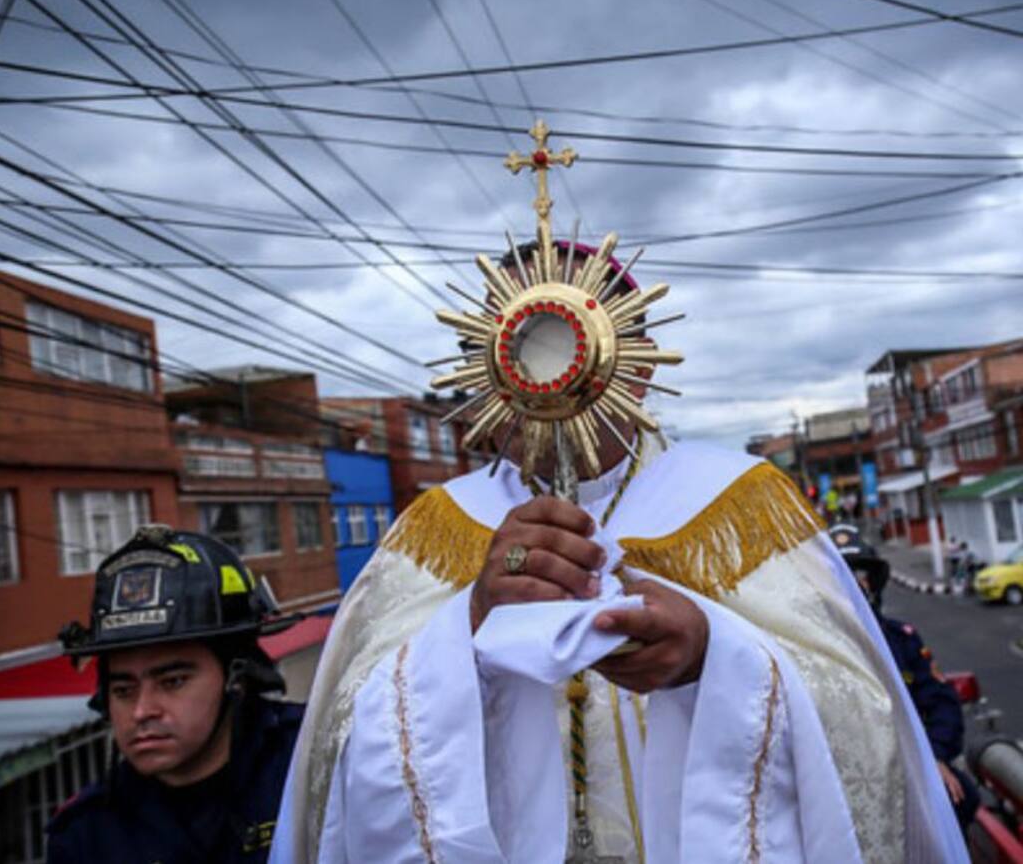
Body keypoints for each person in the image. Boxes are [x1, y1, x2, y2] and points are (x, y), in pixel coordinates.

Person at [271, 242, 967, 864]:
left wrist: (709, 658)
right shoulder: (431, 529)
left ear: (634, 362)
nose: (539, 378)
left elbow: (865, 719)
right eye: (505, 345)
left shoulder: (738, 502)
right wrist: (469, 626)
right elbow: (334, 750)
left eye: (572, 334)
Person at [47, 524, 302, 864]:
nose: (141, 711)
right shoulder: (86, 836)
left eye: (172, 682)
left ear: (236, 678)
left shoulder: (314, 766)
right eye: (123, 690)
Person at [829, 524, 981, 832]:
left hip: (915, 768)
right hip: (847, 780)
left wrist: (933, 758)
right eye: (843, 577)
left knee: (959, 799)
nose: (855, 587)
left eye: (861, 576)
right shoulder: (815, 651)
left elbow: (942, 705)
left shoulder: (903, 640)